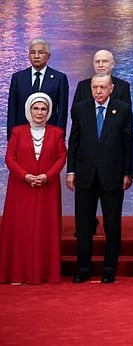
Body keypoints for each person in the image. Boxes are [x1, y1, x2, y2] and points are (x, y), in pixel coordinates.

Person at [66, 74, 133, 284]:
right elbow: (74, 141)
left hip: (112, 175)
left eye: (102, 87)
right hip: (85, 175)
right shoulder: (80, 109)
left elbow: (127, 142)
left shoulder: (122, 109)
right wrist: (71, 171)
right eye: (95, 87)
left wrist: (127, 172)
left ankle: (109, 269)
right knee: (83, 225)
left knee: (112, 224)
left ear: (111, 88)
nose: (98, 91)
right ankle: (83, 268)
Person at [0, 93, 67, 284]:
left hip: (47, 188)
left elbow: (62, 157)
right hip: (21, 189)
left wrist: (47, 176)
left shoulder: (56, 133)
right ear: (29, 110)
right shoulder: (17, 132)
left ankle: (44, 272)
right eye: (36, 108)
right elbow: (10, 158)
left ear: (49, 111)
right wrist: (25, 176)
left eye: (43, 109)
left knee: (44, 230)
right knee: (21, 229)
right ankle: (18, 273)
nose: (39, 112)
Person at [7, 38, 69, 138]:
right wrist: (11, 137)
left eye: (41, 52)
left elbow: (62, 112)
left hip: (49, 135)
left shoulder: (59, 78)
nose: (36, 56)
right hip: (22, 135)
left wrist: (60, 137)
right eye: (32, 52)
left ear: (48, 56)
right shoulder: (17, 78)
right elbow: (12, 110)